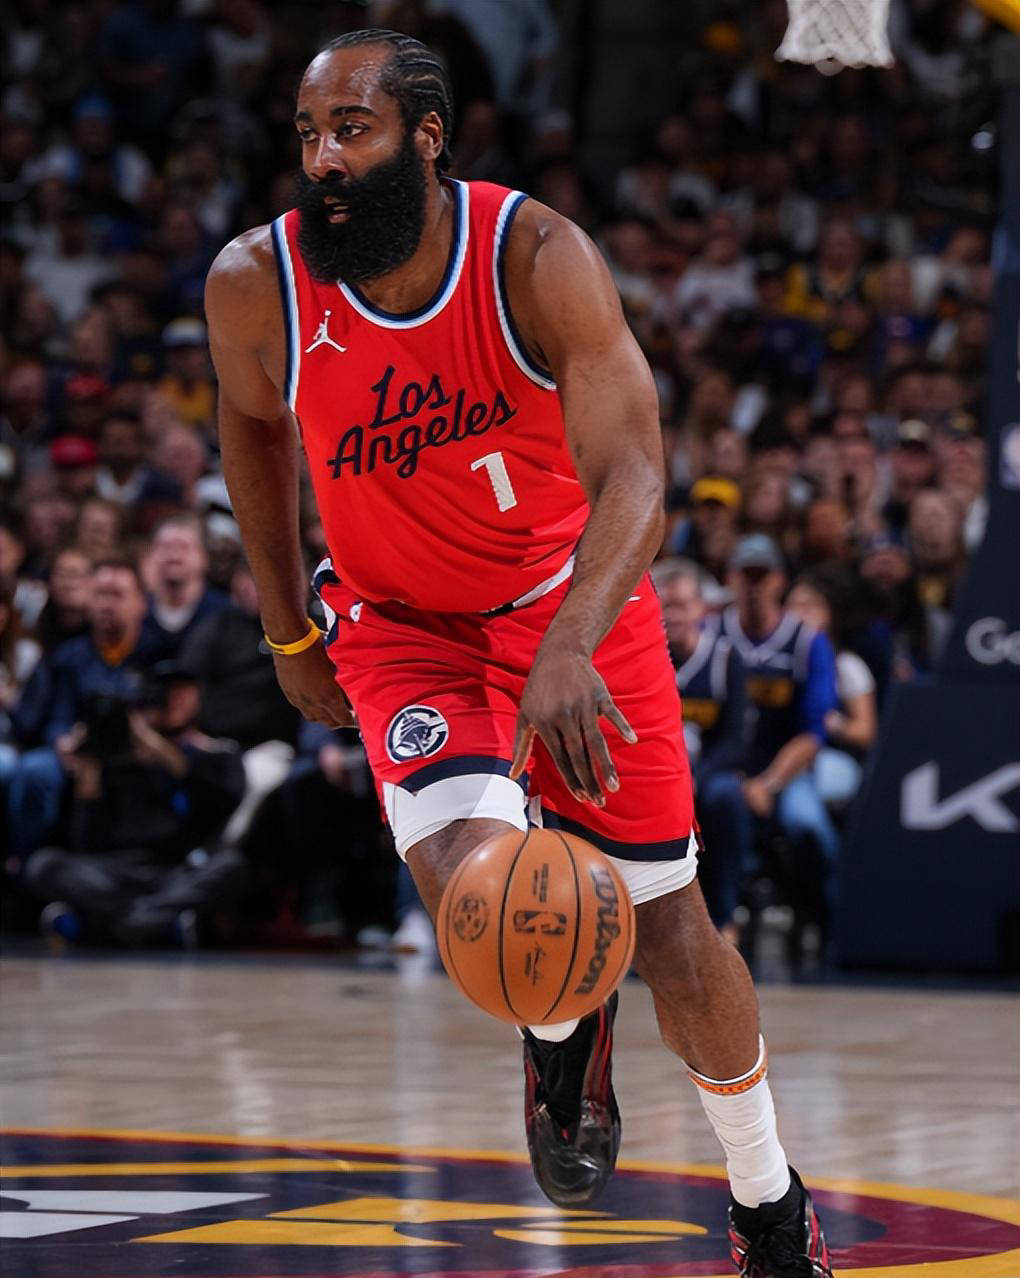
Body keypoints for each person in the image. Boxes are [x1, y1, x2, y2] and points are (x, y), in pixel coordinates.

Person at [204, 30, 832, 1274]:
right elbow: (251, 427)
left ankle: (767, 1203)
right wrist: (286, 625)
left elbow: (637, 472)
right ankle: (561, 1028)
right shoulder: (256, 282)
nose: (324, 158)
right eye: (310, 133)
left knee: (670, 931)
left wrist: (570, 642)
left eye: (354, 130)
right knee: (482, 893)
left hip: (570, 604)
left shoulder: (536, 258)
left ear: (427, 137)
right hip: (400, 626)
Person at [22, 662, 246, 947]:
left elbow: (215, 808)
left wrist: (159, 750)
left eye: (182, 691)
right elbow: (85, 841)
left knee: (232, 866)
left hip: (173, 869)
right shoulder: (108, 752)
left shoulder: (212, 753)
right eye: (165, 692)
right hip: (110, 873)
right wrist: (90, 774)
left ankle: (109, 925)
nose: (172, 700)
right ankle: (158, 923)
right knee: (43, 865)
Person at [720, 535, 840, 958]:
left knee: (807, 825)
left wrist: (768, 784)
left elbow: (813, 732)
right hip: (724, 767)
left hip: (786, 770)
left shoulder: (806, 642)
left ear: (779, 581)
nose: (754, 584)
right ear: (731, 578)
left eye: (762, 575)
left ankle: (821, 918)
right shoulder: (712, 634)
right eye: (746, 574)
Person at [654, 558, 748, 942]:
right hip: (655, 772)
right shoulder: (641, 661)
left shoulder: (725, 658)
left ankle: (725, 915)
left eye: (682, 605)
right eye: (666, 605)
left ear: (701, 609)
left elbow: (735, 739)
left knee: (725, 797)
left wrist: (695, 777)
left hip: (706, 773)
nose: (674, 615)